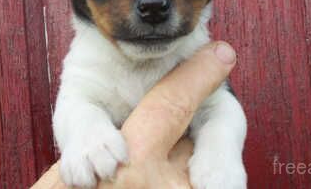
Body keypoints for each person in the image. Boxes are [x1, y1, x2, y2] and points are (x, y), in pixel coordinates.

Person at [31, 41, 238, 189]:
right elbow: (74, 103)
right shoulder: (87, 63)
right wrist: (85, 130)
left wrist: (218, 157)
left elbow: (221, 109)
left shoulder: (197, 52)